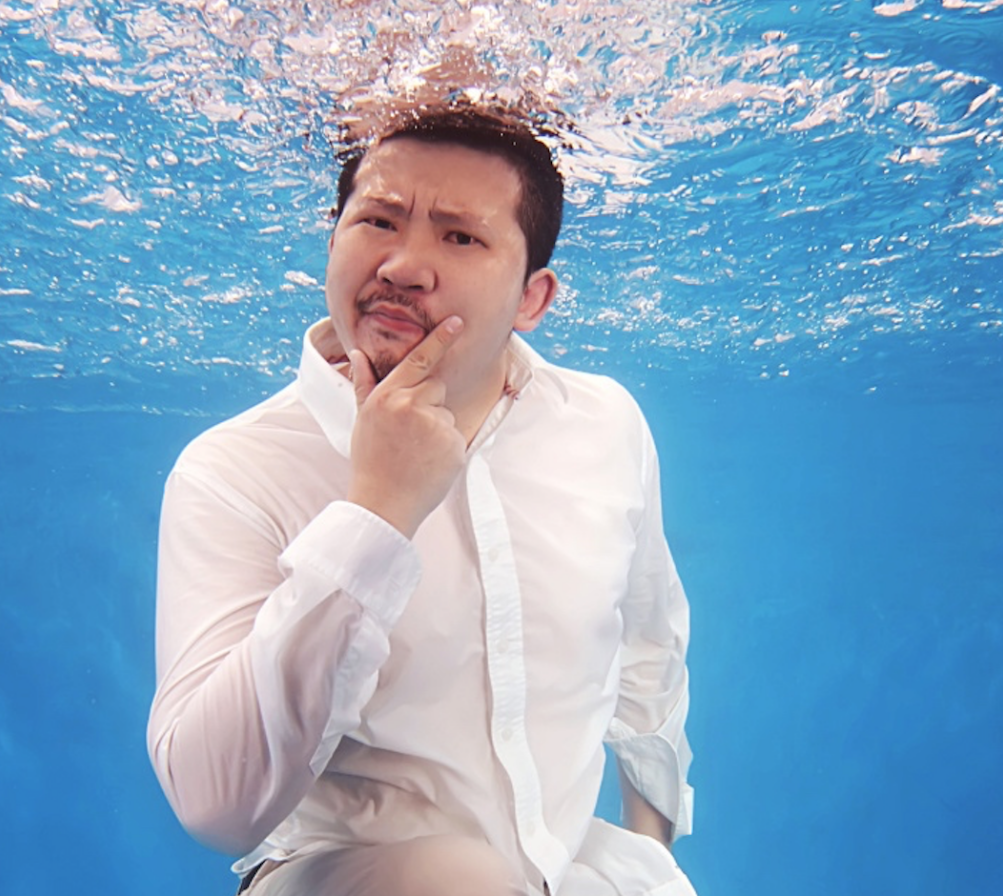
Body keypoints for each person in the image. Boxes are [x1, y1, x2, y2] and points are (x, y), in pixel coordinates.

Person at [147, 105, 695, 896]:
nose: (404, 266)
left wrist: (652, 851)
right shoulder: (235, 467)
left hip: (561, 875)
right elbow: (214, 803)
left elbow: (648, 652)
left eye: (460, 236)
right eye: (378, 220)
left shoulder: (605, 423)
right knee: (454, 879)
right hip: (334, 879)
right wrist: (376, 512)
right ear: (332, 240)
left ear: (533, 297)